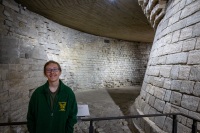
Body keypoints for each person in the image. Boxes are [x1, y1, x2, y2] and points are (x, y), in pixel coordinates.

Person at [27, 60, 78, 133]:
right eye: (48, 70)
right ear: (45, 73)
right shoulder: (37, 93)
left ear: (60, 72)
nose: (52, 72)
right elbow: (30, 116)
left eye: (55, 69)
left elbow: (72, 116)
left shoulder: (68, 93)